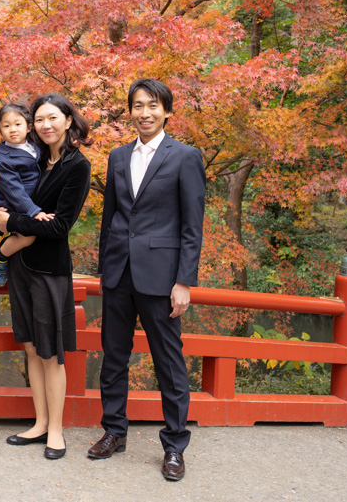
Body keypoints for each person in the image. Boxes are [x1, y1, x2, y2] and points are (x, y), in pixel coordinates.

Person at [88, 79, 206, 482]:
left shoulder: (185, 156)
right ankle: (114, 431)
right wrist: (106, 267)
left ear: (166, 111)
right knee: (114, 357)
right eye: (137, 106)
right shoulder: (118, 156)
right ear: (130, 111)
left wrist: (184, 281)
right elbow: (111, 218)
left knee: (168, 363)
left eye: (152, 105)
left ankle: (174, 445)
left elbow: (192, 225)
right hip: (119, 272)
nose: (144, 112)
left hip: (162, 277)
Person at [0, 93, 92, 460]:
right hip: (21, 266)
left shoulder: (76, 165)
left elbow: (61, 226)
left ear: (68, 120)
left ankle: (57, 431)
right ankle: (39, 423)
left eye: (52, 118)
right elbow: (5, 200)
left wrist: (9, 223)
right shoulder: (31, 157)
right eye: (39, 119)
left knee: (52, 354)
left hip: (50, 268)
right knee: (32, 348)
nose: (44, 125)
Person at [0, 103, 54, 286]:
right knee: (28, 236)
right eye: (6, 126)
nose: (12, 130)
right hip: (12, 205)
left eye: (17, 124)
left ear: (28, 126)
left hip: (28, 202)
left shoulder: (34, 145)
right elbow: (15, 192)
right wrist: (34, 211)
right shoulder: (3, 160)